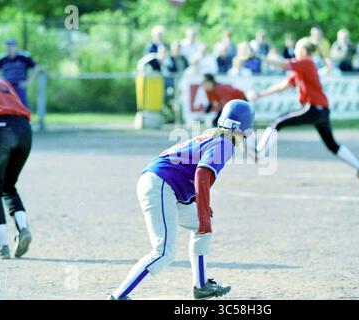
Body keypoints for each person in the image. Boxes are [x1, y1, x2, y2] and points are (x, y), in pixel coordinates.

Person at [109, 100, 254, 300]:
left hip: (161, 184)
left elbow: (185, 169)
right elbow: (202, 174)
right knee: (163, 252)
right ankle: (118, 296)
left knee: (199, 224)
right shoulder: (226, 144)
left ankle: (201, 286)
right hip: (160, 185)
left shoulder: (214, 136)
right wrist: (203, 210)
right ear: (246, 130)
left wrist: (199, 207)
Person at [250, 38, 359, 182]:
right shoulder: (302, 69)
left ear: (303, 51)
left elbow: (283, 65)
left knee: (278, 122)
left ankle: (259, 152)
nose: (294, 52)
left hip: (313, 108)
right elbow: (282, 86)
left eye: (296, 49)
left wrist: (260, 57)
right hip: (321, 110)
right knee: (332, 145)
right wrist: (260, 95)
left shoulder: (306, 62)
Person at [0, 78, 33, 259]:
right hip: (24, 130)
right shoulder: (3, 81)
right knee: (8, 186)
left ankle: (1, 245)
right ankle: (23, 230)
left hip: (2, 128)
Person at [0, 39, 38, 107]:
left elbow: (36, 68)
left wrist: (28, 82)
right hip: (7, 88)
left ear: (16, 47)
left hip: (20, 86)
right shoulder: (3, 59)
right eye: (8, 46)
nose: (10, 48)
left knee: (21, 106)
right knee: (7, 106)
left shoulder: (23, 58)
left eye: (12, 46)